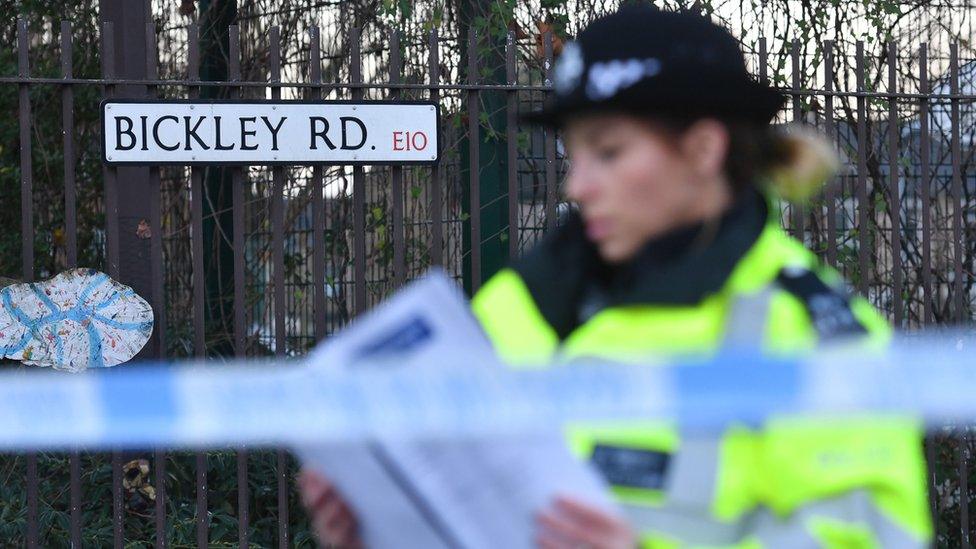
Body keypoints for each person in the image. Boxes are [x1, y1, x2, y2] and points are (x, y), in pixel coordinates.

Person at [299, 6, 931, 548]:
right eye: (575, 156)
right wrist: (379, 528)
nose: (577, 186)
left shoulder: (808, 329)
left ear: (704, 150)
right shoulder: (520, 302)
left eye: (609, 152)